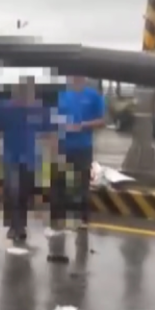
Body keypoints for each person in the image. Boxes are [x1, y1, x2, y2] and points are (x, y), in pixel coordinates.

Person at [0, 76, 56, 243]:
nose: (25, 97)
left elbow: (50, 133)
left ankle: (19, 224)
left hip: (31, 158)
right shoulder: (3, 108)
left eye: (28, 92)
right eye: (21, 92)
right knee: (12, 190)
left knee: (24, 192)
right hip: (10, 156)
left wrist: (54, 152)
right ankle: (14, 226)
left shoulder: (40, 110)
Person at [51, 75, 106, 230]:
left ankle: (83, 219)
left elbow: (102, 121)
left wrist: (82, 125)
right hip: (62, 147)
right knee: (58, 184)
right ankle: (56, 219)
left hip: (83, 146)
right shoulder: (60, 94)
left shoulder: (93, 96)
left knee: (82, 184)